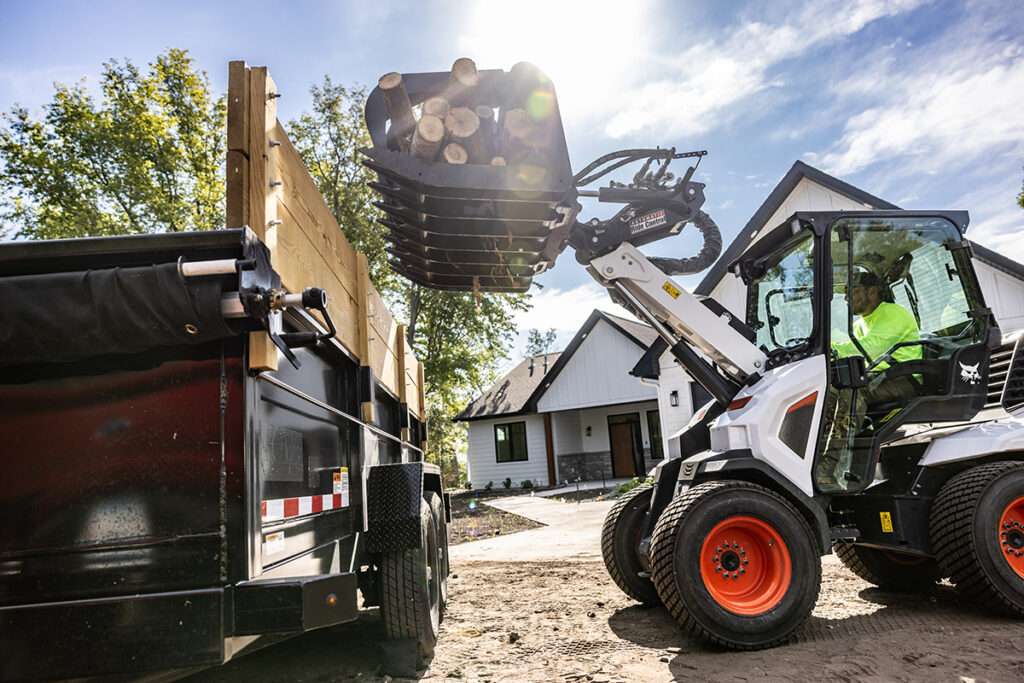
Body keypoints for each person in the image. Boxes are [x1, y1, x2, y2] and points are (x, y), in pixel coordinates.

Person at [818, 269, 921, 489]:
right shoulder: (860, 324)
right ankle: (817, 455)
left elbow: (868, 350)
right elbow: (849, 351)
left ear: (872, 291)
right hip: (877, 378)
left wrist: (826, 349)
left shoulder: (894, 313)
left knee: (852, 391)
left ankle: (829, 466)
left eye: (851, 291)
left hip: (902, 379)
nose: (845, 298)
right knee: (828, 393)